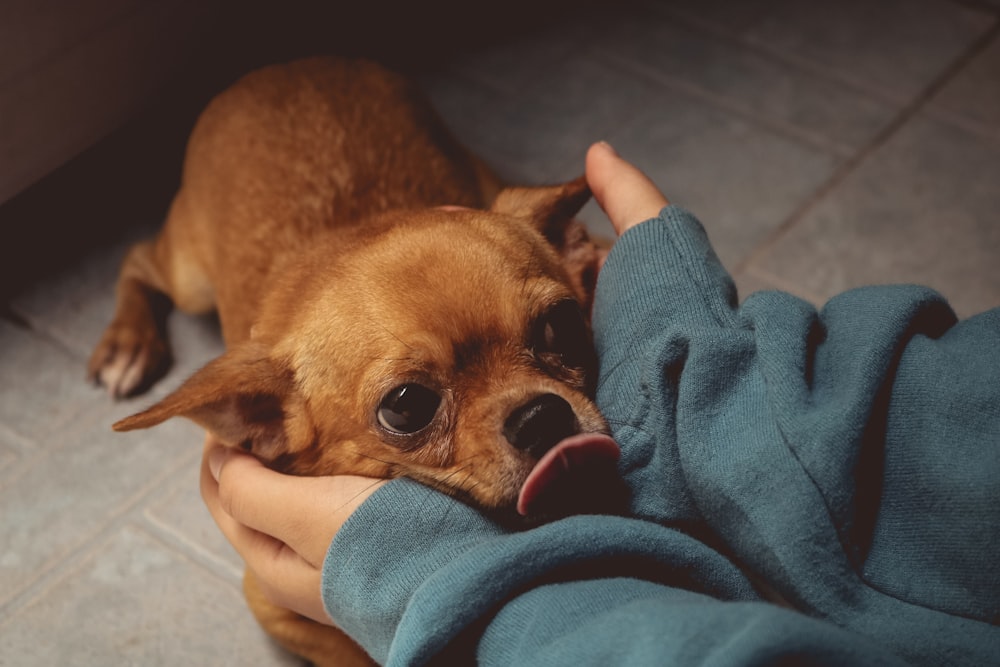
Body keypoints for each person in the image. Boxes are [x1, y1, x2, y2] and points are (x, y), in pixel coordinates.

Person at [201, 141, 1000, 666]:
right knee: (175, 276)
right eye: (411, 406)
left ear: (578, 258)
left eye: (549, 329)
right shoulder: (285, 385)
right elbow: (277, 603)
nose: (532, 405)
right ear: (268, 420)